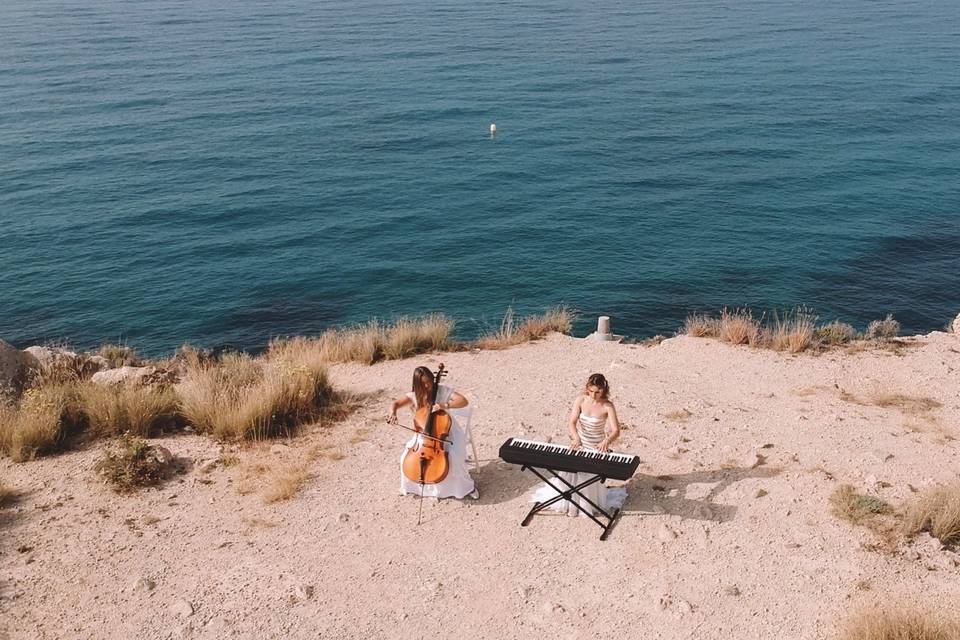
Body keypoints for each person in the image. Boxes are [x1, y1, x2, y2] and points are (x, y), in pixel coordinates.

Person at [533, 373, 626, 516]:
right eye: (591, 391)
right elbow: (572, 422)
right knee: (571, 472)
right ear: (587, 388)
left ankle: (587, 505)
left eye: (598, 392)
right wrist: (575, 437)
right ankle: (571, 504)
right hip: (580, 443)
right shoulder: (580, 400)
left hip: (596, 446)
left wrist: (607, 441)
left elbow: (616, 430)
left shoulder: (608, 406)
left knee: (588, 478)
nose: (594, 395)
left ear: (604, 390)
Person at [388, 366, 478, 500]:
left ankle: (465, 488)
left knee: (454, 458)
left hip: (446, 431)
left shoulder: (441, 390)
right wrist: (392, 413)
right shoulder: (414, 396)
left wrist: (445, 405)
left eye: (429, 381)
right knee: (404, 459)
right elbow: (395, 403)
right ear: (417, 384)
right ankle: (414, 487)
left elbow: (463, 401)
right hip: (424, 434)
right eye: (423, 384)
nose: (428, 385)